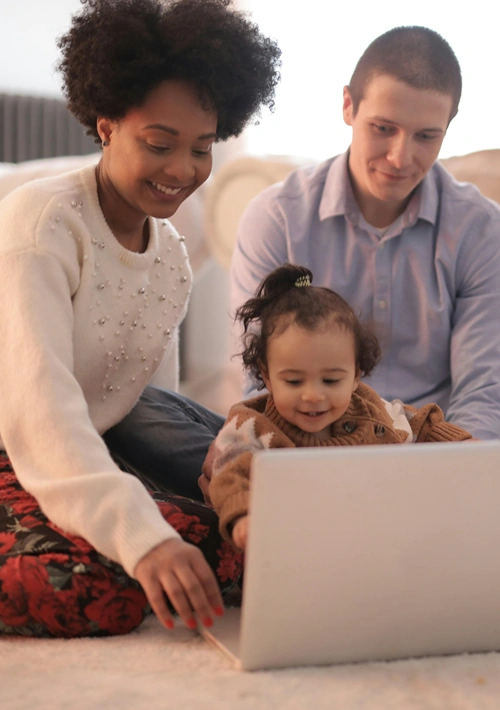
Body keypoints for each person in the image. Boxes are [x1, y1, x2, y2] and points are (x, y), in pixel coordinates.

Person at [0, 0, 280, 637]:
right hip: (17, 444)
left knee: (238, 541)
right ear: (105, 123)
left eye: (202, 149)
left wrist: (212, 488)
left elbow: (144, 407)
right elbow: (39, 411)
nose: (182, 170)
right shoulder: (41, 224)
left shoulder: (173, 258)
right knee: (95, 587)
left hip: (96, 444)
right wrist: (144, 539)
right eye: (159, 144)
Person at [230, 25, 500, 441]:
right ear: (348, 106)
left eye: (426, 136)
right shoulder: (277, 218)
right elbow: (260, 383)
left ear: (449, 125)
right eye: (383, 128)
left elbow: (483, 392)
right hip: (307, 439)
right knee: (155, 415)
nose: (400, 157)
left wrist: (446, 474)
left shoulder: (481, 230)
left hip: (431, 444)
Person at [209, 264, 473, 550]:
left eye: (331, 380)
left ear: (356, 375)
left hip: (375, 540)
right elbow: (229, 475)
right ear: (267, 376)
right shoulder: (250, 426)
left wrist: (466, 445)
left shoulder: (369, 410)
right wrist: (244, 516)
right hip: (295, 547)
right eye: (295, 381)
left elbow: (418, 423)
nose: (313, 395)